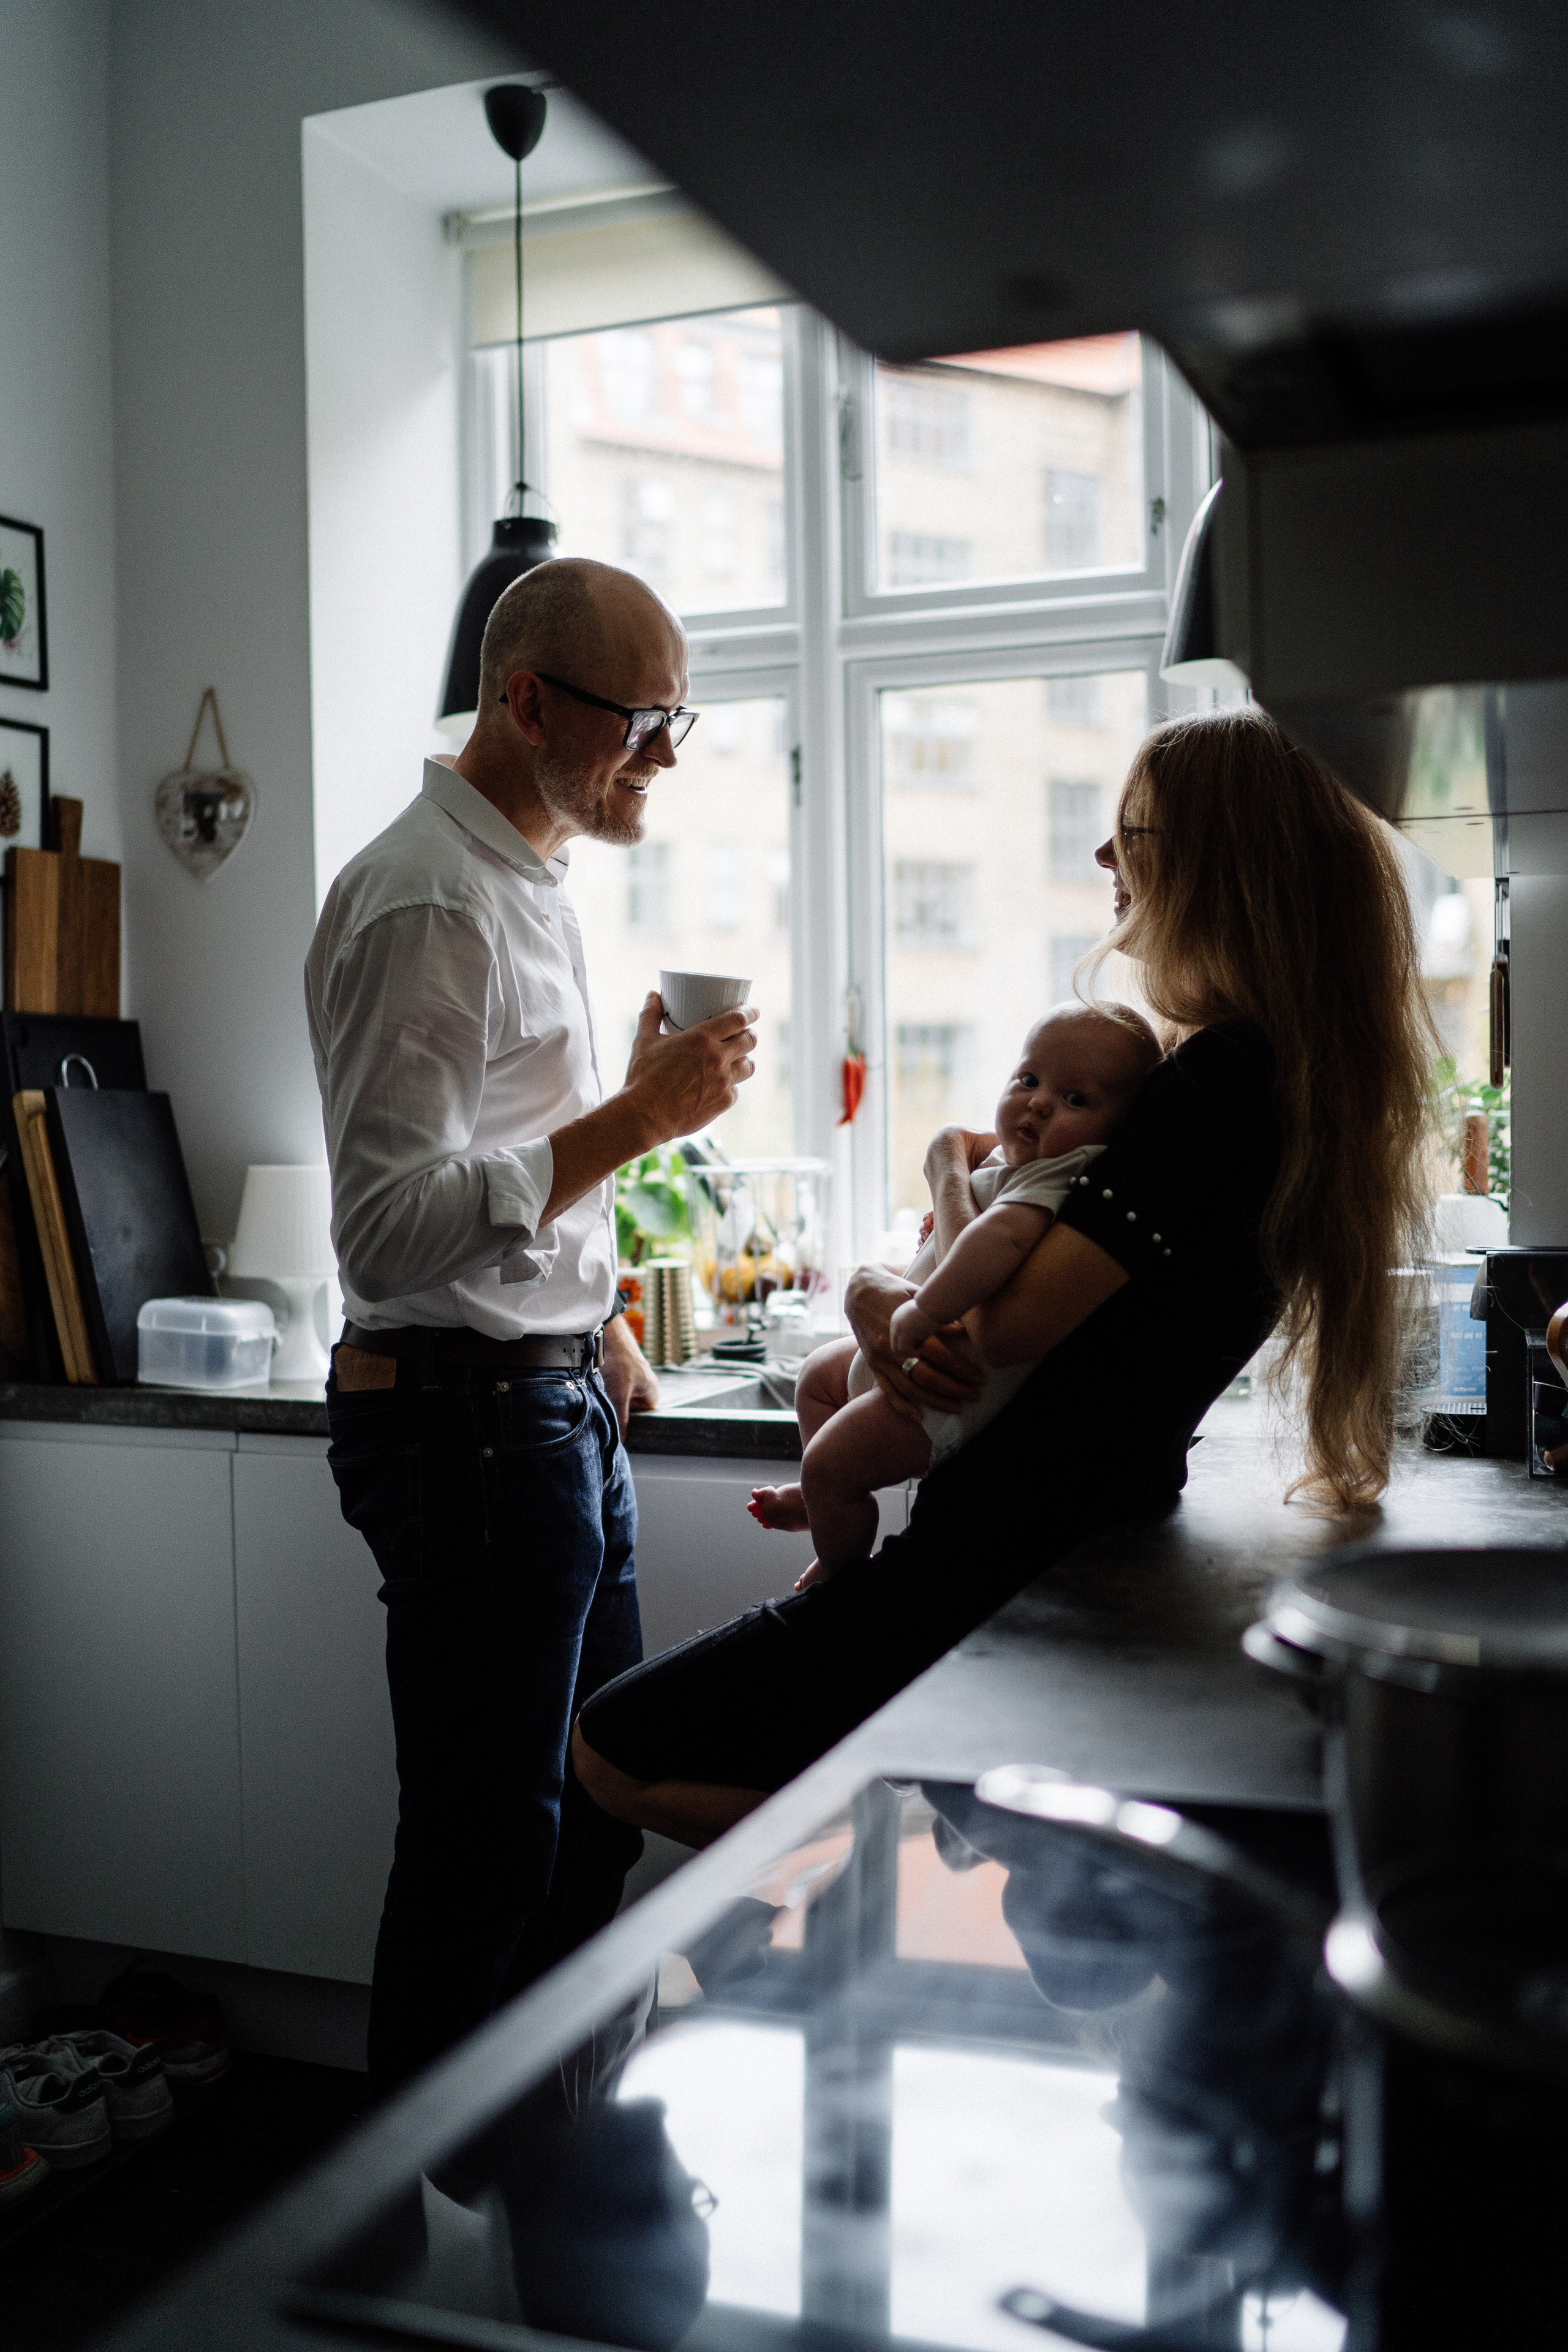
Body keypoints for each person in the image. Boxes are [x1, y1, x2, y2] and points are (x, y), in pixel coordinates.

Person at [571, 706, 1434, 1850]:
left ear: (1220, 863)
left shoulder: (1224, 1081)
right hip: (1047, 1542)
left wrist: (928, 1198)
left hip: (1001, 1557)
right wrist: (896, 1282)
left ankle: (919, 1807)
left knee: (612, 1752)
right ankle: (930, 1797)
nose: (1103, 859)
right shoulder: (1261, 1077)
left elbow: (998, 1332)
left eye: (1135, 831)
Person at [305, 556, 757, 2092]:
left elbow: (506, 1165)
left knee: (588, 1811)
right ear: (524, 699)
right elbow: (386, 1227)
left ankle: (546, 2182)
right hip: (465, 1426)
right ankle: (401, 2261)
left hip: (545, 1407)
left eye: (676, 720)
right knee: (487, 1849)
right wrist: (635, 1115)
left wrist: (599, 1311)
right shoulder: (427, 897)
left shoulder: (520, 874)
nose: (665, 757)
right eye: (640, 721)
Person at [748, 1002, 1161, 1579]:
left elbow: (997, 1243)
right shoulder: (1011, 1160)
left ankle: (839, 1563)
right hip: (918, 1352)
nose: (1039, 1102)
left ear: (1120, 1127)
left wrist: (924, 1307)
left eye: (1076, 1099)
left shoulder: (1065, 1172)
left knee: (833, 1464)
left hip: (947, 1394)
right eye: (1029, 1079)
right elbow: (955, 1238)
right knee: (817, 1376)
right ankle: (824, 1501)